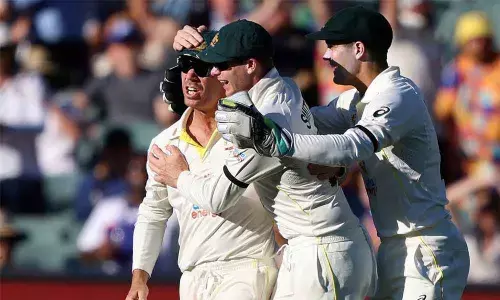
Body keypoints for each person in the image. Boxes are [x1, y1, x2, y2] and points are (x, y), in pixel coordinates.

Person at [214, 6, 471, 300]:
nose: (325, 56)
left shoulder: (397, 95)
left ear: (359, 49)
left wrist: (277, 142)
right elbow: (303, 120)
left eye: (333, 47)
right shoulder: (355, 101)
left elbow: (352, 145)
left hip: (426, 245)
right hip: (391, 246)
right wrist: (208, 53)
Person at [156, 20, 377, 299]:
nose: (213, 72)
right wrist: (203, 44)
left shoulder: (265, 124)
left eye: (222, 65)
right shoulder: (283, 85)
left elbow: (216, 199)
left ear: (250, 65)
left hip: (320, 252)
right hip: (325, 247)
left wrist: (177, 176)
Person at [126, 31, 278, 300]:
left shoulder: (252, 130)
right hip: (193, 278)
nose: (190, 76)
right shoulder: (164, 142)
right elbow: (153, 213)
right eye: (185, 66)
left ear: (223, 74)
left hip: (247, 269)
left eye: (202, 67)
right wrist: (140, 277)